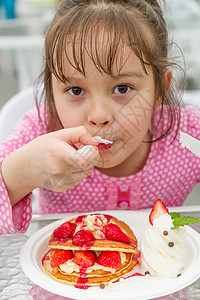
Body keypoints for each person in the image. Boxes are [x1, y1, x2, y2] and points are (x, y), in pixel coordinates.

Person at [0, 0, 200, 235]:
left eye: (122, 88)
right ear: (51, 93)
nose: (99, 116)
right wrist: (22, 172)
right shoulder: (40, 129)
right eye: (76, 90)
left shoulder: (187, 133)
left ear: (159, 90)